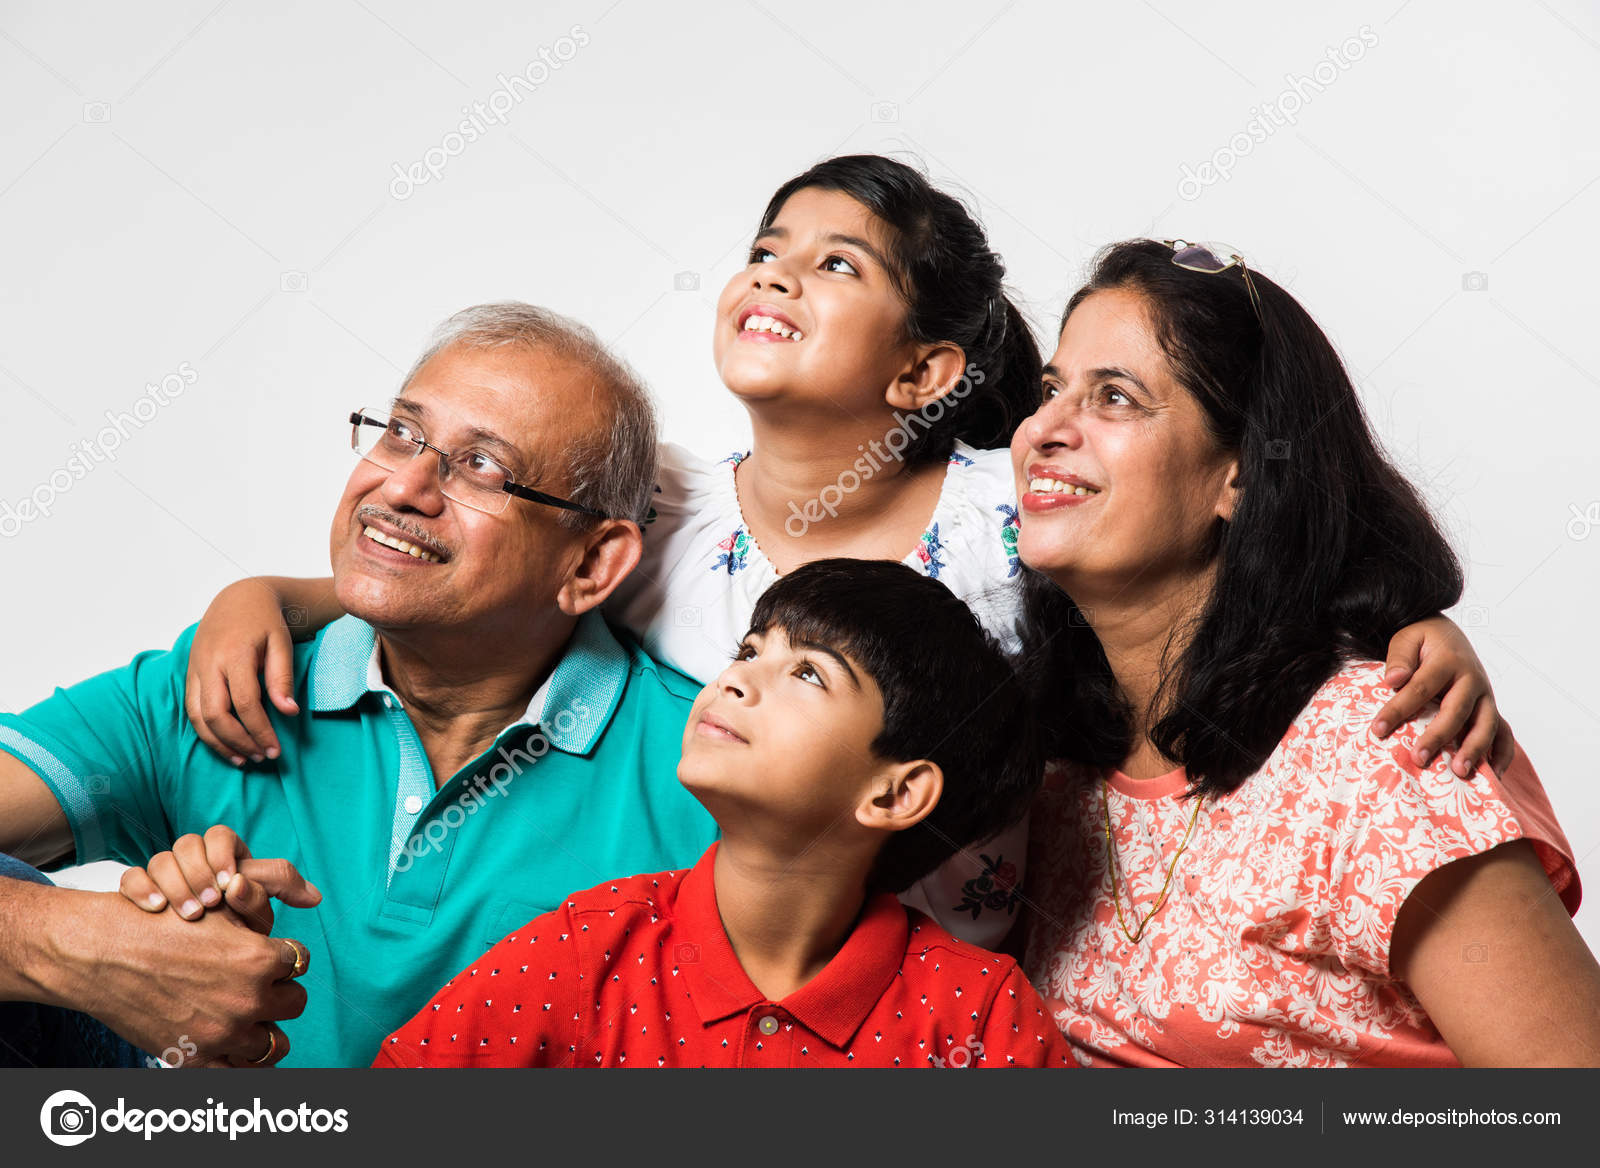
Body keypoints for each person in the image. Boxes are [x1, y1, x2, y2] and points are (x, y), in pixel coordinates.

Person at [167, 157, 1510, 950]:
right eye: (767, 250)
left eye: (836, 266)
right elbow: (484, 564)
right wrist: (267, 597)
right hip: (730, 975)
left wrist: (1404, 626)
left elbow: (1207, 568)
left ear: (927, 367)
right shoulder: (666, 515)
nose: (778, 276)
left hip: (969, 978)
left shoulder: (1015, 505)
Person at [0, 302, 716, 1067]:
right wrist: (84, 947)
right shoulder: (228, 679)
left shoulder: (709, 780)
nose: (403, 486)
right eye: (402, 433)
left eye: (483, 466)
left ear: (591, 564)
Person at [1014, 239, 1600, 1066]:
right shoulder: (1047, 764)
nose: (1043, 428)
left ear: (1240, 475)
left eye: (1114, 397)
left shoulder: (1384, 749)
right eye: (1049, 390)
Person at [370, 559, 1073, 1067]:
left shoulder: (981, 1015)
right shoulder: (590, 951)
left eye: (807, 673)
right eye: (749, 650)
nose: (736, 678)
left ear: (893, 793)